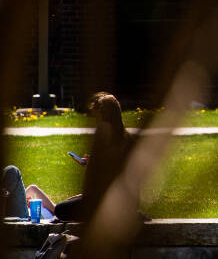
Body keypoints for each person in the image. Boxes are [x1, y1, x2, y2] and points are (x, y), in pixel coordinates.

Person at [8, 93, 136, 223]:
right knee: (64, 205)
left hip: (103, 203)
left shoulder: (103, 139)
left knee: (60, 210)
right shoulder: (127, 139)